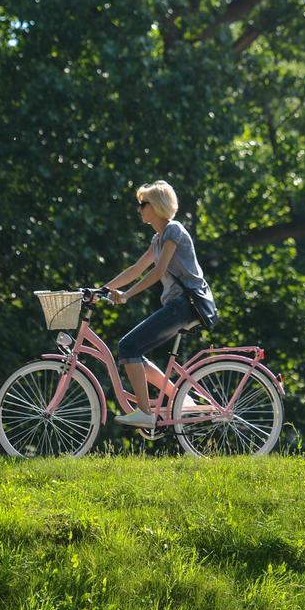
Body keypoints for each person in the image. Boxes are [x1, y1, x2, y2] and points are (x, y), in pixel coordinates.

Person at [100, 180, 218, 427]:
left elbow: (158, 271)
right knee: (134, 352)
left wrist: (127, 295)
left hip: (184, 305)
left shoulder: (173, 230)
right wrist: (103, 289)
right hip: (177, 306)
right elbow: (136, 269)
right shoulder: (158, 239)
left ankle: (144, 412)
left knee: (128, 346)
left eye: (143, 204)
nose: (139, 209)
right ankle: (181, 398)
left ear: (156, 206)